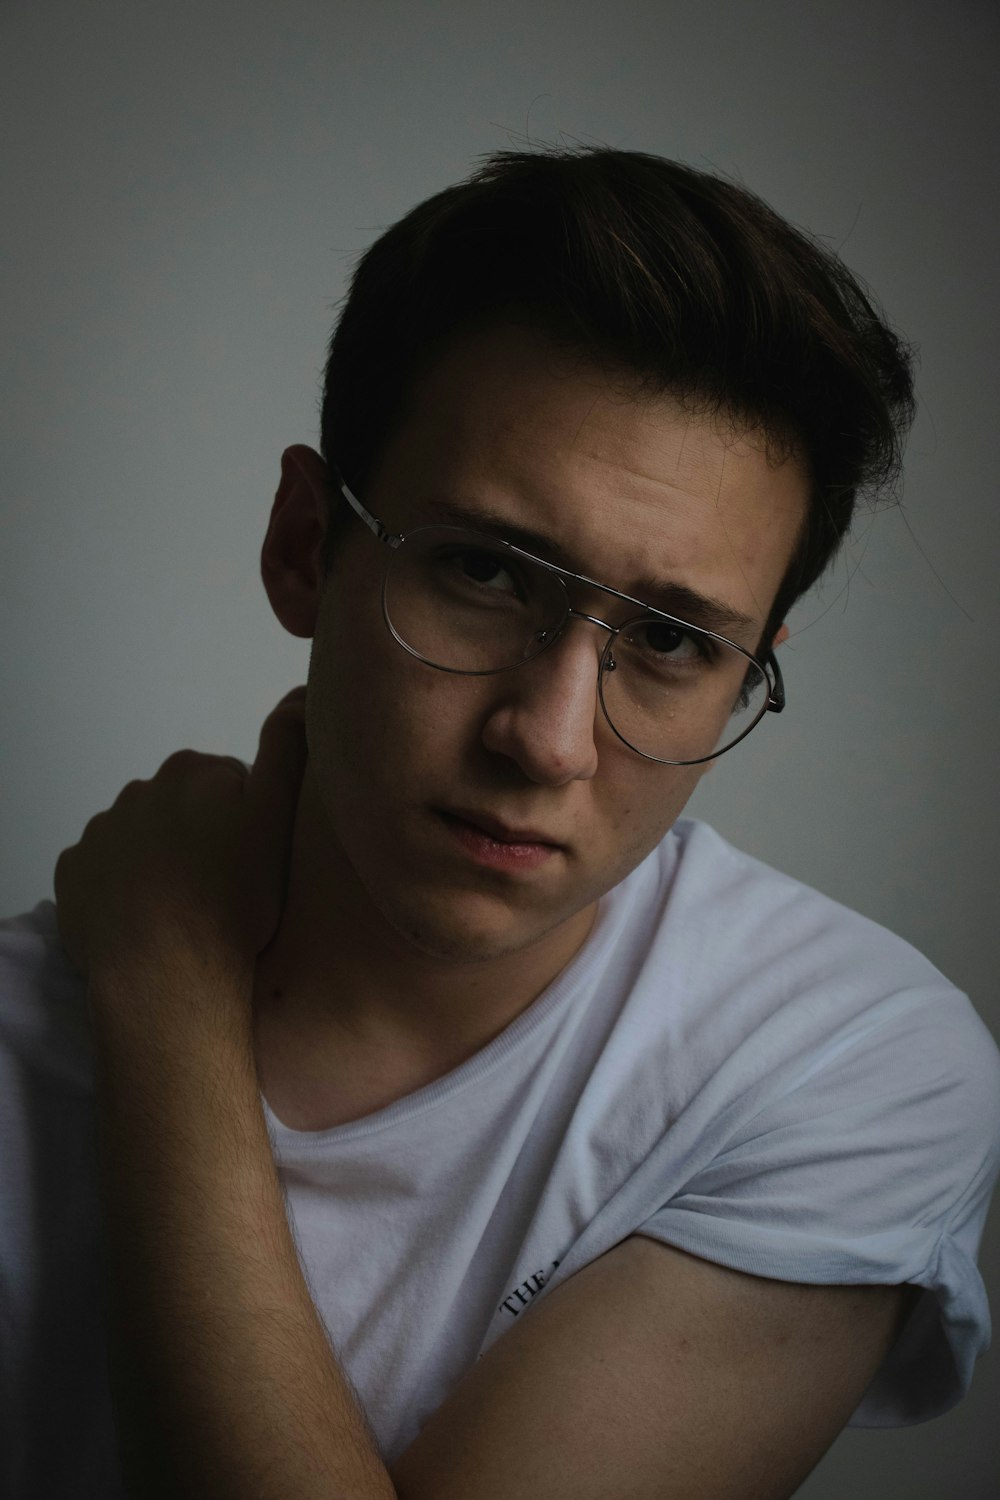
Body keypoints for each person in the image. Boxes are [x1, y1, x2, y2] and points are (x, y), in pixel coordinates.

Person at [3, 147, 999, 1500]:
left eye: (668, 640)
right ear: (309, 545)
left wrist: (172, 1009)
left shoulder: (846, 1060)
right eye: (481, 571)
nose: (548, 738)